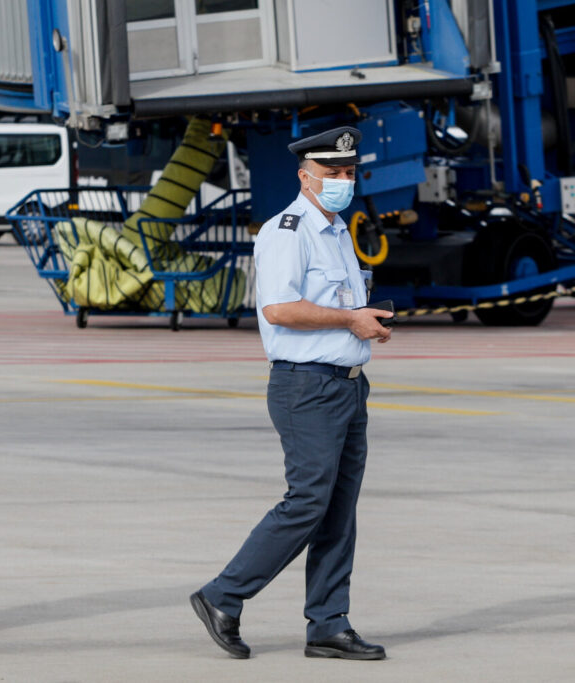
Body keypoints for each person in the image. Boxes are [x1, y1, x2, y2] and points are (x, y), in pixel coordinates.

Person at [190, 126, 392, 661]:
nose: (342, 182)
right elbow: (279, 309)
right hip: (307, 388)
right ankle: (223, 595)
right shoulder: (288, 230)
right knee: (307, 501)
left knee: (337, 509)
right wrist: (352, 319)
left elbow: (337, 306)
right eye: (332, 174)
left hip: (347, 387)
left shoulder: (337, 231)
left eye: (349, 174)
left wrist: (363, 319)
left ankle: (329, 623)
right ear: (306, 177)